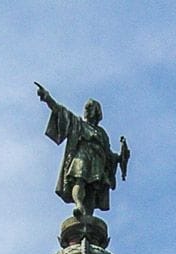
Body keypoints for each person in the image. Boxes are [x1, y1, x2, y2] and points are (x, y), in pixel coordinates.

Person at [36, 83, 129, 218]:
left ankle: (88, 215)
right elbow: (60, 111)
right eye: (86, 107)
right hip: (82, 155)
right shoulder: (78, 123)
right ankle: (78, 205)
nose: (87, 109)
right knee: (79, 179)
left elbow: (108, 154)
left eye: (90, 107)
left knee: (92, 188)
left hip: (98, 160)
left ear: (97, 112)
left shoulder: (102, 133)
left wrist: (120, 157)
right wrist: (47, 98)